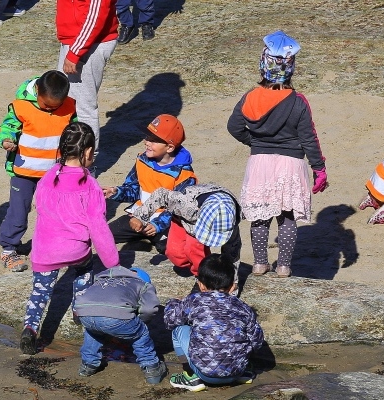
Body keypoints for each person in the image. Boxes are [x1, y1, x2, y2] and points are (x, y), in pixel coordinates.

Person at [227, 30, 328, 279]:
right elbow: (309, 138)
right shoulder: (298, 101)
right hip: (291, 164)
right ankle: (283, 266)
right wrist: (319, 168)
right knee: (287, 217)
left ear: (263, 65)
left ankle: (260, 264)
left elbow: (233, 127)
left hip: (259, 163)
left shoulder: (250, 97)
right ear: (291, 68)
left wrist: (254, 142)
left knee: (260, 215)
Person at [19, 122, 120, 355]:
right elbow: (99, 227)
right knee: (85, 268)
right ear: (86, 153)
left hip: (45, 250)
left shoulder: (47, 177)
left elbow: (40, 207)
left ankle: (30, 329)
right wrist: (112, 262)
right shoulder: (90, 184)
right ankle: (79, 309)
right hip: (76, 250)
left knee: (40, 293)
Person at [0, 70, 77, 272]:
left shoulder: (69, 107)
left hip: (54, 172)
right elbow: (7, 128)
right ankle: (9, 248)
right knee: (19, 211)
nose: (50, 109)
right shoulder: (21, 106)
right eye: (47, 105)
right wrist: (6, 140)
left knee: (53, 211)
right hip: (23, 171)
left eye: (55, 106)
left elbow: (74, 132)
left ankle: (51, 245)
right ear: (37, 90)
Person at [164, 253, 264, 392]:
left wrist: (173, 302)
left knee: (179, 330)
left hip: (205, 374)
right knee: (244, 334)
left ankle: (190, 375)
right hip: (237, 372)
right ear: (232, 286)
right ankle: (245, 370)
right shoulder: (243, 307)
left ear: (200, 285)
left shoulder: (194, 301)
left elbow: (170, 321)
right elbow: (257, 340)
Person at [102, 114, 197, 254]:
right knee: (104, 236)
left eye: (153, 140)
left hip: (166, 223)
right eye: (147, 137)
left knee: (172, 250)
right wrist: (116, 192)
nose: (147, 142)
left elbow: (178, 209)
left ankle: (149, 238)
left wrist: (157, 225)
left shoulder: (184, 175)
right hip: (137, 216)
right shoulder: (142, 160)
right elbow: (133, 189)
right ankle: (140, 237)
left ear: (169, 147)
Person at [74, 266, 167, 384]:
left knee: (93, 332)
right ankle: (152, 369)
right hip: (115, 315)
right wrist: (140, 321)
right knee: (140, 334)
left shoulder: (102, 279)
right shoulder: (143, 284)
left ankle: (88, 365)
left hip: (84, 312)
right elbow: (149, 309)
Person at [130, 184, 241, 277]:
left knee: (194, 251)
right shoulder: (185, 203)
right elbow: (160, 195)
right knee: (175, 254)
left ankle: (204, 276)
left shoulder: (231, 220)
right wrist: (139, 217)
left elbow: (232, 254)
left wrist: (231, 285)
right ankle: (203, 270)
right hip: (183, 217)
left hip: (200, 219)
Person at [56, 0, 117, 159]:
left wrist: (75, 52)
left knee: (82, 107)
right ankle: (72, 155)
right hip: (75, 39)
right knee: (67, 100)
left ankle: (86, 161)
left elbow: (96, 15)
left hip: (88, 43)